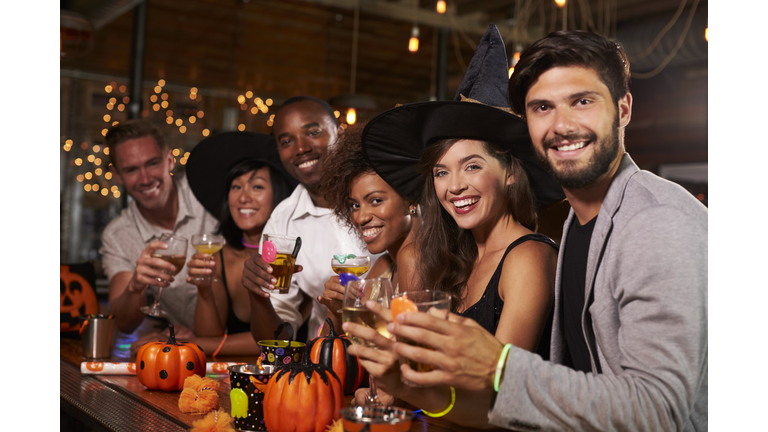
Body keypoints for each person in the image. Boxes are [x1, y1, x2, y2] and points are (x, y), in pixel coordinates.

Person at [350, 30, 708, 430]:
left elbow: (659, 412)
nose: (561, 125)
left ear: (623, 109)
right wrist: (405, 387)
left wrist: (498, 366)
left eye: (582, 101)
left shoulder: (657, 221)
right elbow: (536, 408)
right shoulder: (580, 224)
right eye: (542, 107)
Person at [349, 24, 564, 410]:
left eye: (471, 166)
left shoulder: (528, 258)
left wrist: (404, 390)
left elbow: (499, 399)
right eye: (442, 172)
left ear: (510, 172)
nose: (454, 187)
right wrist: (390, 393)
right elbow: (439, 381)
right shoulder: (458, 256)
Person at [129, 132, 298, 357]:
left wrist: (176, 342)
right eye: (236, 187)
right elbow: (209, 337)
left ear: (278, 195)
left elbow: (275, 339)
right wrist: (204, 289)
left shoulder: (287, 258)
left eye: (256, 187)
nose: (243, 198)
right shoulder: (220, 256)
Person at [241, 96, 382, 343]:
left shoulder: (382, 195)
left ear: (339, 133)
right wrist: (257, 295)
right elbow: (279, 339)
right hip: (330, 362)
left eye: (313, 132)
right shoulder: (282, 224)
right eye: (287, 141)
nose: (301, 148)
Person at [100, 119, 218, 335]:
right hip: (198, 347)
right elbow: (125, 324)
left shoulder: (206, 193)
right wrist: (136, 286)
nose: (145, 178)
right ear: (117, 175)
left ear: (170, 160)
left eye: (153, 163)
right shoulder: (118, 235)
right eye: (131, 170)